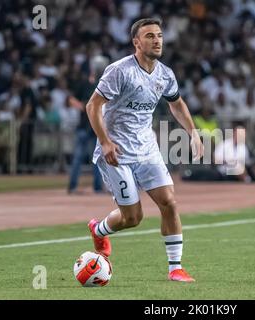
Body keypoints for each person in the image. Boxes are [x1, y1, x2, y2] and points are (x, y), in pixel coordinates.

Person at [85, 18, 204, 282]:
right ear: (136, 42)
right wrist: (105, 141)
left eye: (159, 35)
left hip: (147, 150)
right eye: (149, 36)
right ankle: (99, 229)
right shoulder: (119, 71)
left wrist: (193, 133)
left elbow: (176, 103)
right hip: (117, 152)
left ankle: (175, 268)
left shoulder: (165, 74)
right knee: (132, 218)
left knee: (169, 203)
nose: (157, 40)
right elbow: (93, 106)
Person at [67, 56, 106, 194]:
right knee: (81, 157)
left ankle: (97, 186)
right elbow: (71, 99)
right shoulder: (86, 84)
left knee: (97, 158)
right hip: (86, 126)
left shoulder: (104, 84)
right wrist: (84, 107)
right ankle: (73, 186)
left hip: (96, 126)